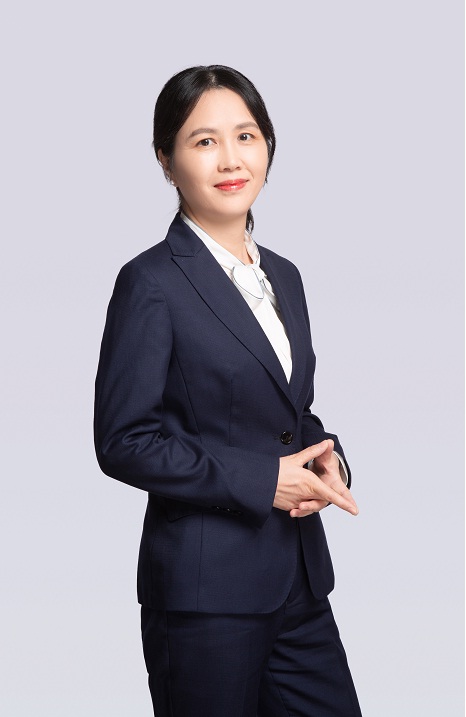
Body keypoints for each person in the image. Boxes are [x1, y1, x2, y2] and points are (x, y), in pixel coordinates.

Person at [94, 65, 362, 717]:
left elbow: (289, 410)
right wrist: (263, 480)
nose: (231, 159)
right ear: (167, 160)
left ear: (268, 145)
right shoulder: (151, 282)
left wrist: (327, 458)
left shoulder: (285, 276)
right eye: (204, 141)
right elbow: (124, 441)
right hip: (205, 594)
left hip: (299, 581)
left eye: (245, 135)